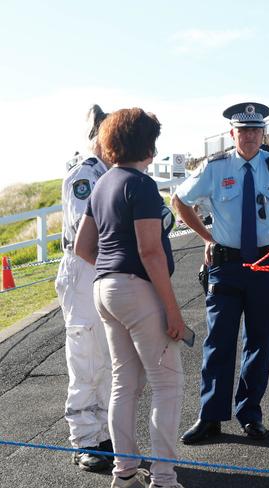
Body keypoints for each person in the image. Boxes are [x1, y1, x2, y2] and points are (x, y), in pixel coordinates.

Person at [172, 102, 269, 445]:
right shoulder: (215, 168)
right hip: (226, 264)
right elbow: (180, 199)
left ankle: (250, 412)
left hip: (268, 263)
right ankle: (211, 415)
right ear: (232, 134)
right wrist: (207, 238)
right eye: (242, 130)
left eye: (255, 130)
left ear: (263, 133)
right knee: (218, 341)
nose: (249, 136)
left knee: (260, 341)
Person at [75, 108, 185, 488]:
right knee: (167, 384)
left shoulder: (103, 183)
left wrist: (112, 267)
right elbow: (151, 251)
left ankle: (124, 472)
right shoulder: (141, 185)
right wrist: (173, 310)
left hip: (104, 288)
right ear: (148, 144)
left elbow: (81, 246)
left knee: (124, 383)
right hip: (135, 288)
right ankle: (164, 477)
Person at [55, 104, 114, 473]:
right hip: (84, 267)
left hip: (105, 267)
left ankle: (104, 433)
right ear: (96, 137)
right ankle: (85, 440)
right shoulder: (86, 174)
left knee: (108, 358)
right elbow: (84, 234)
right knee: (86, 356)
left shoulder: (110, 172)